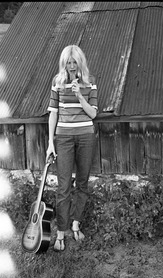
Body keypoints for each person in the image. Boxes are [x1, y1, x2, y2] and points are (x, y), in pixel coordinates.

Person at [46, 45, 98, 251]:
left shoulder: (90, 82)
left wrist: (80, 96)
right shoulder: (57, 82)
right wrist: (51, 143)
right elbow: (53, 113)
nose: (71, 66)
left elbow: (93, 114)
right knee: (63, 186)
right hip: (64, 138)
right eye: (68, 62)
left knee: (83, 183)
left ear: (80, 62)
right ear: (63, 63)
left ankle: (76, 224)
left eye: (74, 62)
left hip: (86, 136)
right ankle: (61, 232)